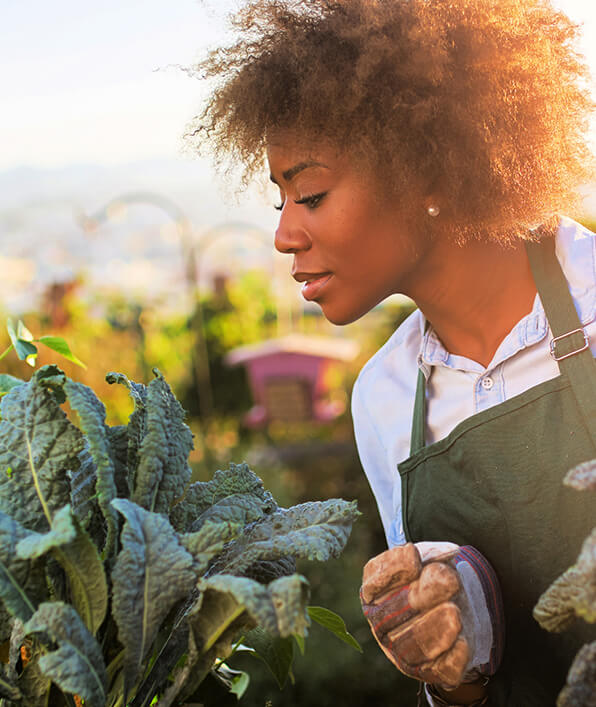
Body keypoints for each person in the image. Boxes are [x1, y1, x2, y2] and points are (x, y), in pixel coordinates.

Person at [195, 0, 596, 704]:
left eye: (311, 193)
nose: (285, 234)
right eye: (280, 198)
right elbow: (465, 689)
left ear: (431, 171)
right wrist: (448, 660)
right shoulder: (384, 399)